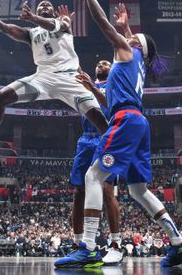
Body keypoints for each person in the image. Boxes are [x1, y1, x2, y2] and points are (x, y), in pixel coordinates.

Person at [55, 0, 182, 268]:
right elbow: (112, 98)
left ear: (135, 46)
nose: (127, 36)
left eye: (131, 36)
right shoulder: (137, 65)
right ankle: (178, 243)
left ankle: (89, 247)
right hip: (137, 122)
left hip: (125, 122)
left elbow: (103, 25)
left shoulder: (126, 53)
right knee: (138, 190)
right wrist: (128, 29)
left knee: (94, 177)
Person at [0, 0, 108, 160]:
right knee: (0, 97)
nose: (44, 6)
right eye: (41, 5)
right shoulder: (31, 33)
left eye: (48, 4)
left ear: (52, 11)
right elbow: (5, 28)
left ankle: (117, 147)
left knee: (98, 118)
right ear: (36, 11)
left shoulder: (63, 21)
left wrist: (34, 18)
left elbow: (60, 25)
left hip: (71, 77)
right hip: (43, 77)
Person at [73, 58, 123, 264]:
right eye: (99, 63)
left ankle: (115, 243)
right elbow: (72, 64)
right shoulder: (83, 82)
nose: (101, 64)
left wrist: (91, 87)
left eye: (106, 63)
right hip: (85, 140)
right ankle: (77, 244)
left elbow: (109, 103)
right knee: (78, 192)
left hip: (106, 138)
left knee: (106, 189)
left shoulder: (116, 85)